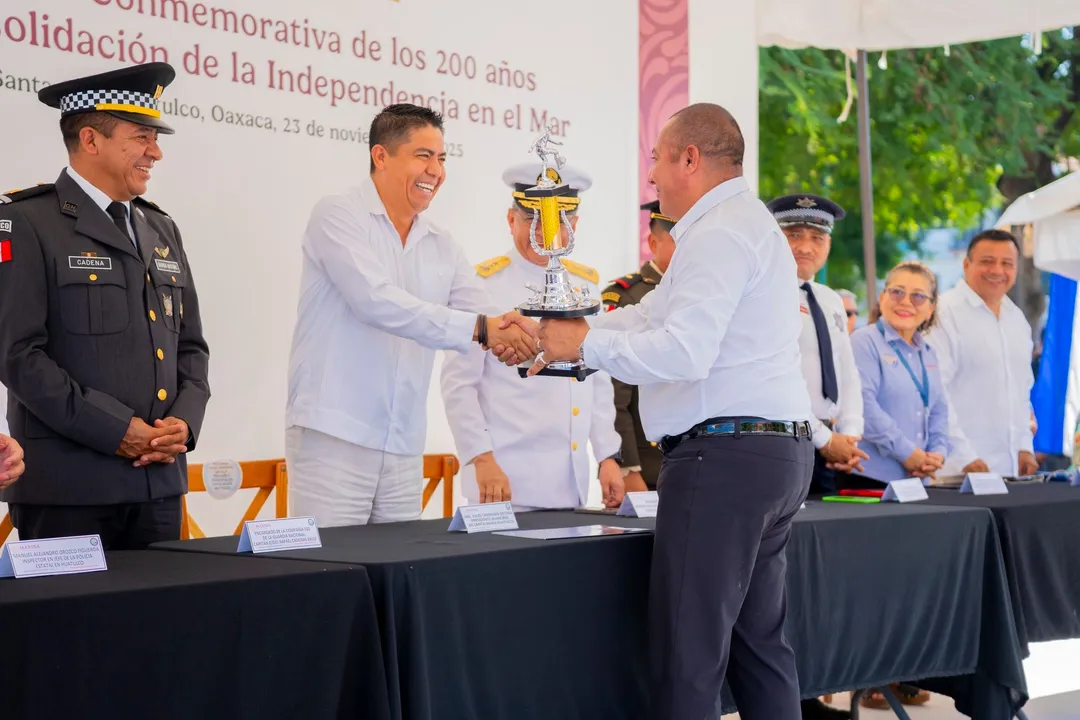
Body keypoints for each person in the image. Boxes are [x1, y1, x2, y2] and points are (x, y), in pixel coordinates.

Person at [524, 103, 815, 720]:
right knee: (759, 648)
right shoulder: (742, 224)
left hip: (725, 460)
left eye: (656, 158)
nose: (652, 173)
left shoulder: (718, 234)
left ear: (690, 158)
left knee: (688, 654)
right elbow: (650, 317)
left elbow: (684, 351)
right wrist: (568, 332)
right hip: (771, 454)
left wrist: (581, 346)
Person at [285, 103, 536, 528]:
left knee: (398, 566)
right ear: (381, 156)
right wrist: (483, 329)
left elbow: (484, 309)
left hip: (403, 444)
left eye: (442, 159)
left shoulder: (442, 243)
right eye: (423, 156)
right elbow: (376, 301)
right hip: (334, 437)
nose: (435, 171)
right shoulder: (337, 214)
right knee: (331, 565)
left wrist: (528, 334)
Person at [0, 63, 210, 550]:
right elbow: (18, 356)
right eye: (141, 138)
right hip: (68, 489)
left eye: (155, 138)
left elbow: (191, 347)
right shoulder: (25, 221)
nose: (155, 152)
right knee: (71, 607)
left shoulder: (161, 228)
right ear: (90, 140)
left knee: (164, 604)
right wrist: (118, 431)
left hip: (158, 485)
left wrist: (184, 424)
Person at [440, 163, 624, 511]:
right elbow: (458, 386)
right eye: (532, 219)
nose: (545, 231)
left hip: (570, 484)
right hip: (504, 482)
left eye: (558, 220)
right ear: (511, 220)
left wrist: (607, 456)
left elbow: (597, 381)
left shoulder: (584, 287)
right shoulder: (481, 287)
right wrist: (480, 459)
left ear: (575, 225)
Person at [767, 194, 868, 495]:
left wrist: (849, 435)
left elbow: (847, 372)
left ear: (829, 244)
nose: (805, 247)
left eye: (817, 238)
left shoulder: (830, 299)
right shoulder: (762, 295)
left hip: (832, 449)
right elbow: (775, 378)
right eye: (794, 235)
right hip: (781, 440)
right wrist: (825, 439)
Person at [930, 229, 1038, 478]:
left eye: (1007, 263)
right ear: (966, 265)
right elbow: (935, 393)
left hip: (1010, 472)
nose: (997, 270)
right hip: (956, 473)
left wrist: (1024, 447)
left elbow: (1021, 391)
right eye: (987, 261)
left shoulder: (1017, 319)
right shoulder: (944, 313)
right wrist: (964, 456)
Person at [851, 261, 950, 485]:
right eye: (897, 292)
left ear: (930, 309)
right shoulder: (863, 341)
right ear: (882, 297)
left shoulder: (928, 352)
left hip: (919, 480)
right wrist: (907, 454)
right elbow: (864, 406)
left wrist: (938, 453)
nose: (906, 302)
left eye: (918, 296)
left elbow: (939, 410)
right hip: (871, 478)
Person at [599, 200, 675, 491]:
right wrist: (628, 467)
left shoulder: (703, 293)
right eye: (676, 240)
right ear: (653, 243)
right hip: (649, 465)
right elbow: (614, 393)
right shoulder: (627, 297)